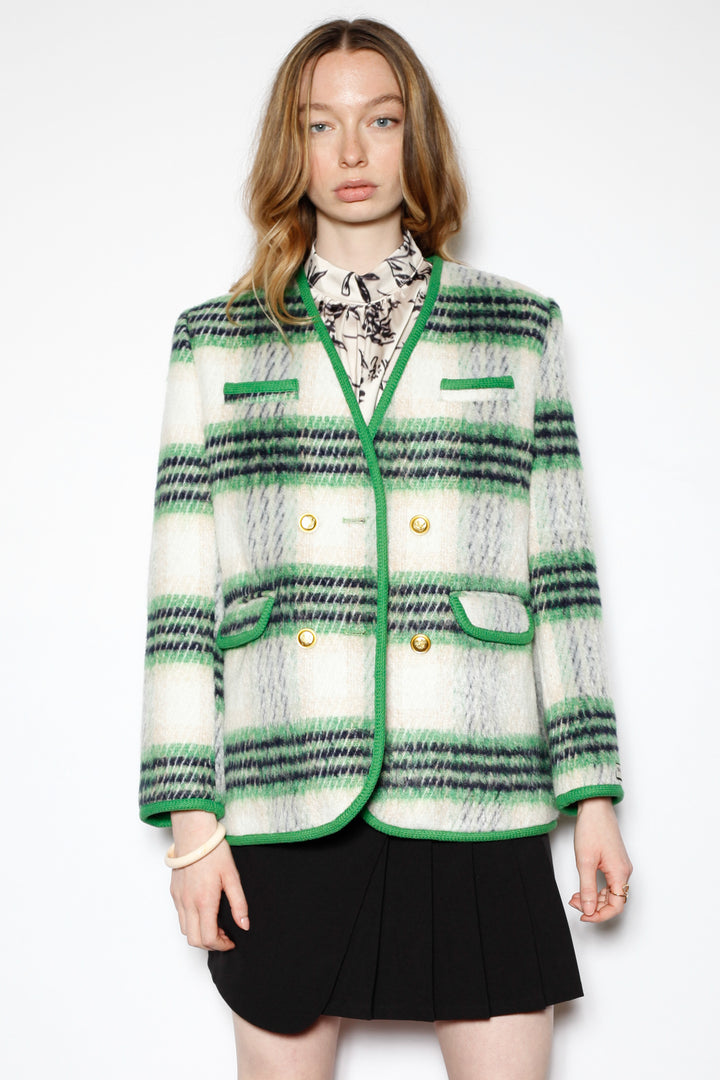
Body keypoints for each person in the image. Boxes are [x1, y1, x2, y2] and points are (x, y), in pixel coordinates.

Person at [139, 17, 633, 1080]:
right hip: (289, 783)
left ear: (419, 138)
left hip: (478, 780)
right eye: (322, 125)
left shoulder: (518, 327)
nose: (353, 152)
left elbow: (562, 574)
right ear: (293, 146)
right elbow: (182, 599)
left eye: (381, 120)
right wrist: (192, 827)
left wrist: (592, 794)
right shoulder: (217, 338)